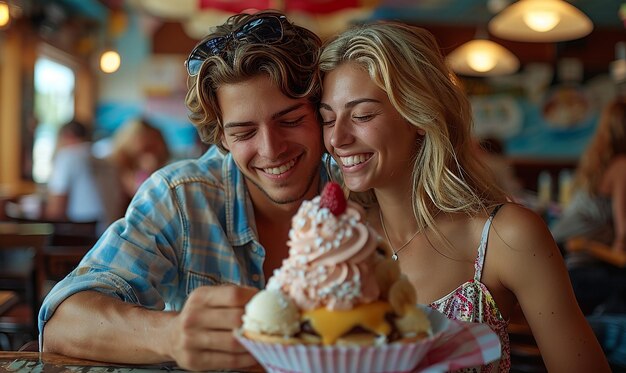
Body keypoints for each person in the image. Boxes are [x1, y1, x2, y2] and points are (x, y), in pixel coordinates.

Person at [39, 11, 325, 372]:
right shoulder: (180, 197)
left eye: (290, 120)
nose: (271, 149)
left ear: (320, 113)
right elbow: (62, 326)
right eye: (243, 133)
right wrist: (172, 335)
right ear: (221, 137)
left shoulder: (362, 188)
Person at [318, 21, 610, 372]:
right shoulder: (335, 237)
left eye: (362, 115)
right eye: (327, 119)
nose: (337, 138)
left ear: (418, 116)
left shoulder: (506, 236)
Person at [551, 98, 626, 315]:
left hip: (566, 269)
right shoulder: (621, 166)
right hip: (585, 272)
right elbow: (623, 238)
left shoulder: (597, 165)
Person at [44, 120, 105, 223]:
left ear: (68, 136)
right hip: (104, 225)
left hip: (79, 227)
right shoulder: (100, 154)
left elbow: (56, 207)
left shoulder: (67, 156)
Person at [109, 117, 171, 208]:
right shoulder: (116, 166)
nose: (150, 154)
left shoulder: (160, 169)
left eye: (153, 147)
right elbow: (137, 193)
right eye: (147, 148)